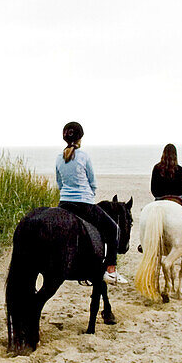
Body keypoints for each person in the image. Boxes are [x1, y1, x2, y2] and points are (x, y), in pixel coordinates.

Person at [55, 121, 128, 284]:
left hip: (64, 203)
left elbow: (59, 183)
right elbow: (92, 181)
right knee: (113, 229)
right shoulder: (84, 156)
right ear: (81, 138)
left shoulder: (59, 158)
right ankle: (111, 270)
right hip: (84, 203)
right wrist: (90, 195)